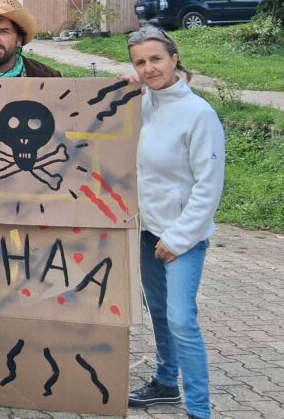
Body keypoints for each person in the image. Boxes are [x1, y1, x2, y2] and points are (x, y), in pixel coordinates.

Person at [124, 25, 225, 419]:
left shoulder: (199, 114)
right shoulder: (144, 104)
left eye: (156, 59)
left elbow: (208, 186)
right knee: (160, 313)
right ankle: (166, 383)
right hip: (148, 232)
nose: (149, 68)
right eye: (140, 62)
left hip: (184, 238)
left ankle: (198, 410)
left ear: (174, 58)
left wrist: (178, 238)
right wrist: (125, 91)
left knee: (182, 319)